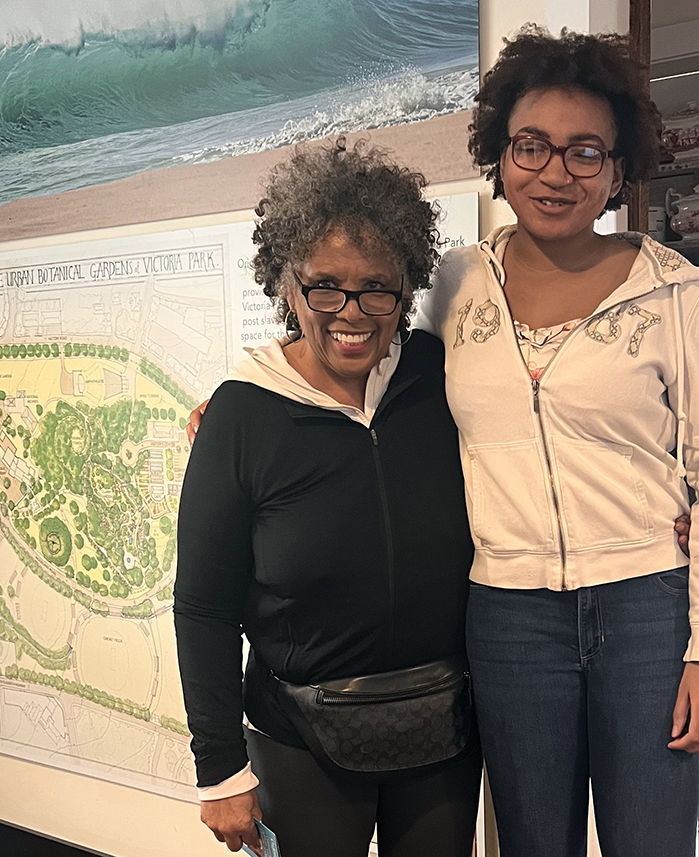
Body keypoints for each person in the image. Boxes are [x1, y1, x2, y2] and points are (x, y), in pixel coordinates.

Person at [416, 26, 699, 857]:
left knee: (653, 841)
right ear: (499, 153)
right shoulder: (456, 285)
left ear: (616, 170)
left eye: (584, 152)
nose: (555, 172)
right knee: (533, 843)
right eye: (531, 145)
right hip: (507, 617)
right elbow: (369, 370)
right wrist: (253, 397)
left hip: (647, 609)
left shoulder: (672, 291)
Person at [173, 140, 482, 857]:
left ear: (404, 291)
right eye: (325, 286)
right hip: (298, 742)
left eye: (377, 286)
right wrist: (219, 769)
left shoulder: (440, 376)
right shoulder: (242, 416)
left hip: (441, 730)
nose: (353, 311)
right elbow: (204, 606)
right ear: (287, 286)